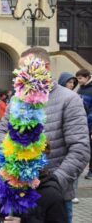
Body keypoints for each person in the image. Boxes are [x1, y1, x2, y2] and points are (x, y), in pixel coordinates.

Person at [0, 47, 90, 223]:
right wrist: (14, 151)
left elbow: (80, 149)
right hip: (17, 192)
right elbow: (0, 132)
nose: (20, 74)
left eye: (25, 68)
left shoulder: (69, 100)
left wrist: (52, 185)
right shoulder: (17, 99)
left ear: (45, 66)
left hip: (53, 197)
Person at [58, 72, 79, 203]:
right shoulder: (56, 99)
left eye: (73, 83)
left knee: (72, 166)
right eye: (68, 82)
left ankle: (74, 193)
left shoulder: (76, 97)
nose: (71, 85)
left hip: (71, 141)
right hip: (58, 146)